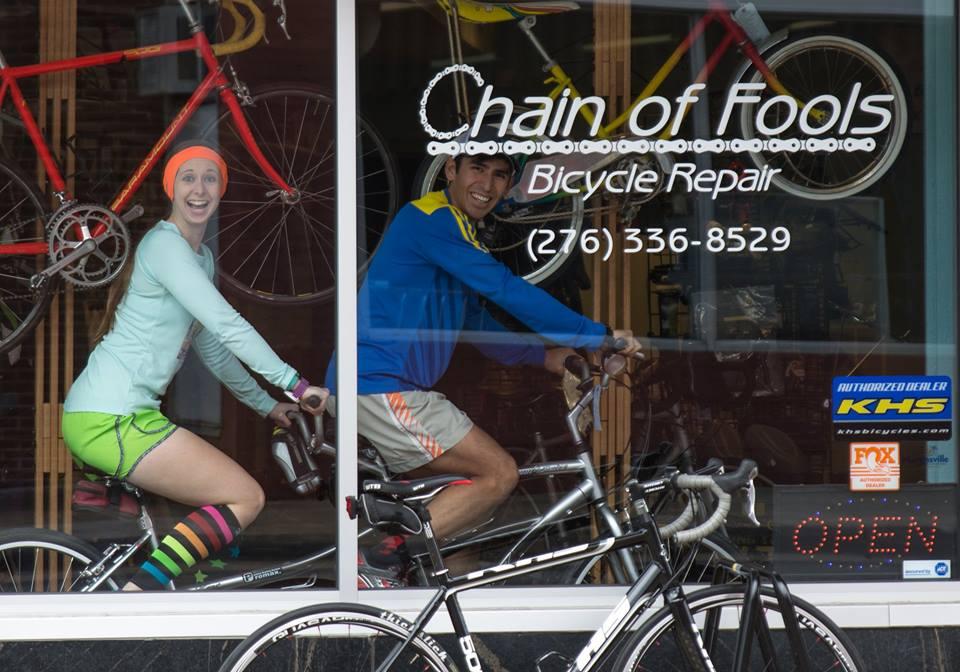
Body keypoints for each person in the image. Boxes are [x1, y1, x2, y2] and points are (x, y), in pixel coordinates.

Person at [325, 142, 642, 581]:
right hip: (381, 386)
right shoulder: (431, 219)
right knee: (496, 474)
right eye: (477, 169)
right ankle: (382, 560)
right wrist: (596, 336)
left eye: (499, 175)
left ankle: (440, 618)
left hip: (382, 386)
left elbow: (473, 316)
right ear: (450, 169)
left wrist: (542, 356)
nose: (486, 185)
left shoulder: (455, 228)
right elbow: (504, 289)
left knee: (464, 507)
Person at [62, 141, 327, 591]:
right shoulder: (165, 247)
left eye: (210, 178)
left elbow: (215, 350)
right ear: (171, 189)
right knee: (244, 497)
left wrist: (268, 406)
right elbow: (227, 324)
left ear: (222, 190)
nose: (199, 189)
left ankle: (142, 587)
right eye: (188, 178)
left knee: (229, 499)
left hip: (122, 415)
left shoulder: (198, 260)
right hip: (111, 417)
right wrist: (295, 386)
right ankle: (139, 595)